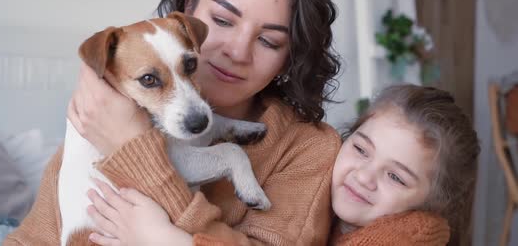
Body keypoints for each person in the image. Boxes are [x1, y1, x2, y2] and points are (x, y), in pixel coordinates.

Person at [4, 0, 342, 245]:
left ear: (290, 55)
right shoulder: (101, 115)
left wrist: (136, 160)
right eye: (223, 21)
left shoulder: (309, 148)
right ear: (189, 9)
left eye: (269, 41)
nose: (237, 52)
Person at [84, 85, 479, 246]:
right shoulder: (339, 213)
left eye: (395, 176)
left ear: (433, 202)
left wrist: (164, 239)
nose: (364, 175)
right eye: (361, 149)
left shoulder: (405, 236)